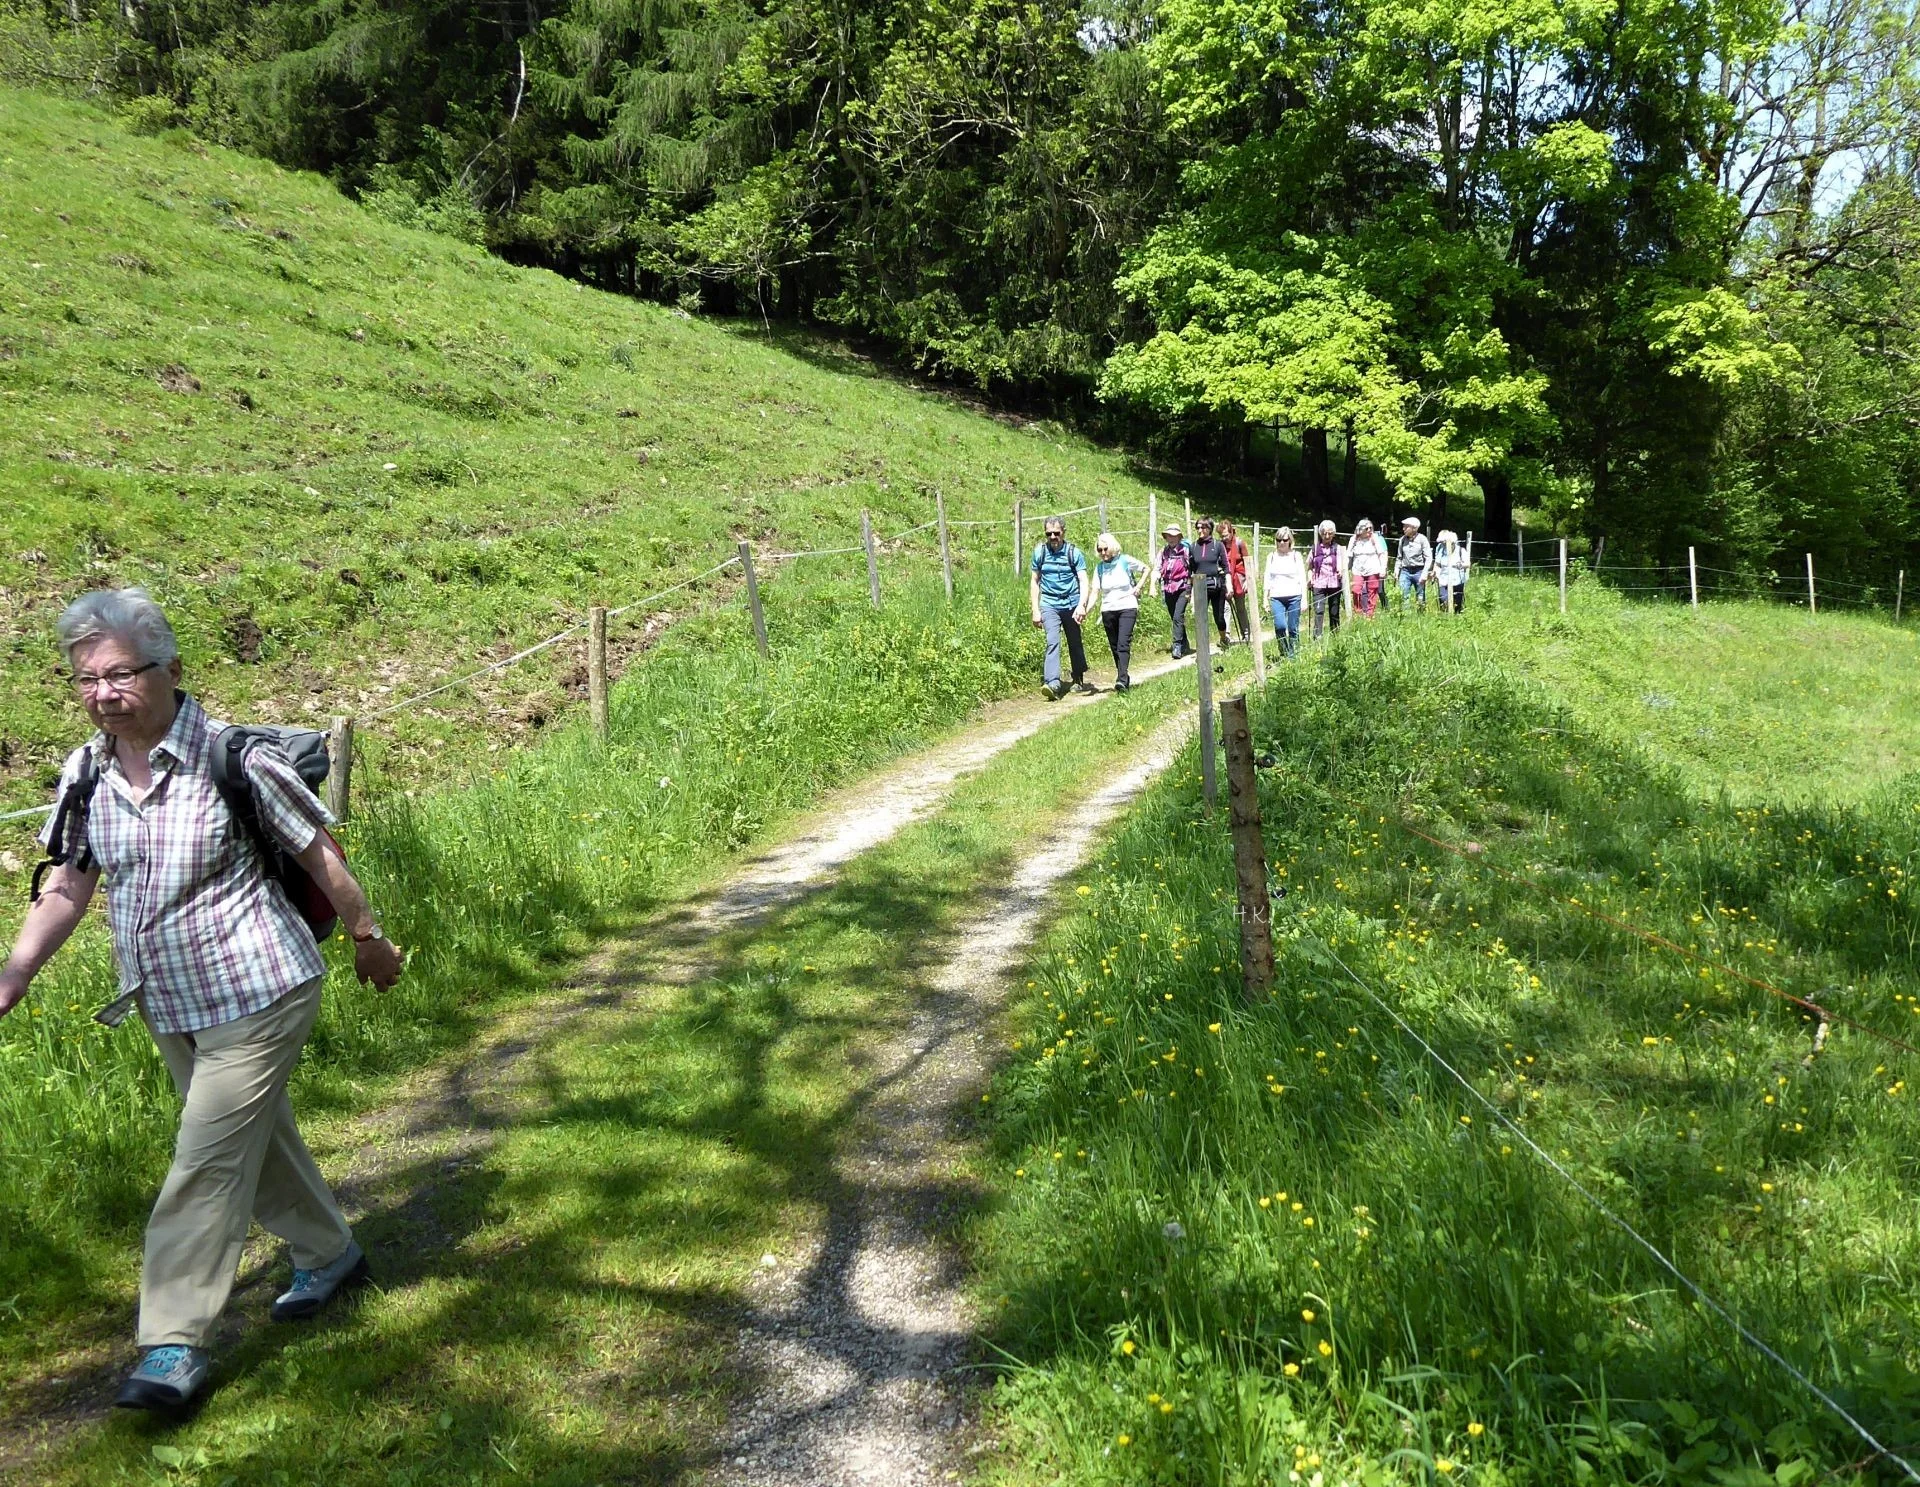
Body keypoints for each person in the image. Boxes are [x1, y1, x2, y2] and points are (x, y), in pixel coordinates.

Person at [0, 589, 404, 1411]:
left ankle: (171, 1341)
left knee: (206, 1160)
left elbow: (318, 850)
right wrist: (16, 971)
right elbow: (71, 884)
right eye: (84, 678)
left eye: (119, 673)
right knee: (255, 1142)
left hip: (260, 984)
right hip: (168, 997)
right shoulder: (86, 771)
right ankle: (330, 1255)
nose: (102, 692)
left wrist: (368, 936)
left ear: (172, 669)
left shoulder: (237, 758)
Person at [1030, 516, 1093, 700]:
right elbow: (1034, 581)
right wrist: (1035, 609)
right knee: (1052, 641)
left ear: (1063, 532)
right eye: (1048, 533)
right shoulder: (1039, 553)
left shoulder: (1074, 553)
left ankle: (1078, 677)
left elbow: (1083, 580)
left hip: (1072, 603)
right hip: (1049, 603)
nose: (1052, 537)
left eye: (1056, 533)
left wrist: (1082, 606)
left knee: (1074, 641)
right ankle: (1052, 683)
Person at [1091, 532, 1147, 692]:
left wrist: (1138, 587)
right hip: (1108, 610)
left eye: (1105, 549)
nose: (1103, 553)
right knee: (1114, 646)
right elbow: (1095, 591)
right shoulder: (1099, 568)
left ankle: (1121, 679)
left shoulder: (1124, 560)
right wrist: (1085, 610)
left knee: (1123, 643)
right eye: (1100, 550)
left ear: (1112, 547)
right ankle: (1123, 675)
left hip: (1127, 606)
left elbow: (1145, 569)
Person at [1263, 525, 1308, 658]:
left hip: (1294, 595)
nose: (1281, 543)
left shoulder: (1296, 556)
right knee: (1280, 626)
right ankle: (1284, 650)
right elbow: (1267, 577)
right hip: (1276, 597)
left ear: (1290, 541)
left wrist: (1304, 599)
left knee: (1293, 627)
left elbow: (1302, 577)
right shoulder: (1271, 556)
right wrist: (1265, 598)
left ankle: (1293, 655)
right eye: (1279, 540)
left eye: (1284, 540)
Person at [1191, 516, 1232, 648]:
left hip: (1217, 586)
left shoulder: (1218, 545)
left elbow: (1226, 567)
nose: (1199, 530)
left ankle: (1223, 638)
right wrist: (1189, 592)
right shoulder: (1193, 547)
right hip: (1199, 586)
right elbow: (1190, 570)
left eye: (1203, 527)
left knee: (1219, 617)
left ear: (1210, 529)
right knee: (1201, 618)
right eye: (1197, 527)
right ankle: (1203, 647)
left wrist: (1229, 585)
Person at [1156, 522, 1195, 659]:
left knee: (1178, 616)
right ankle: (1185, 643)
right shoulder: (1163, 552)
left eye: (1174, 536)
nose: (1171, 538)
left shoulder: (1185, 551)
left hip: (1183, 587)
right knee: (1174, 617)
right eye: (1168, 536)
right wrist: (1153, 583)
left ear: (1179, 537)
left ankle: (1177, 645)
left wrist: (1190, 590)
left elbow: (1192, 570)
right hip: (1168, 588)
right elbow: (1157, 568)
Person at [1307, 520, 1345, 640]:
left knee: (1334, 612)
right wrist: (1309, 579)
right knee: (1319, 611)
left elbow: (1343, 565)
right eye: (1324, 533)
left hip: (1334, 583)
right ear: (1320, 534)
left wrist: (1341, 571)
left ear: (1333, 534)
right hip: (1319, 584)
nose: (1327, 536)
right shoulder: (1315, 549)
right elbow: (1309, 567)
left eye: (1329, 533)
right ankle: (1317, 636)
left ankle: (1335, 636)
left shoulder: (1338, 548)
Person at [1219, 519, 1252, 643]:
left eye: (1226, 535)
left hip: (1239, 580)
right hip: (1226, 580)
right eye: (1222, 536)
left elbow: (1247, 563)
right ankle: (1226, 636)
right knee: (1225, 607)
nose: (1225, 538)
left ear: (1232, 532)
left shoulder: (1240, 543)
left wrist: (1247, 581)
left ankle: (1246, 634)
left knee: (1241, 608)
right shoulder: (1220, 545)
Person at [1348, 518, 1388, 618]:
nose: (1369, 530)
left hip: (1373, 569)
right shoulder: (1354, 539)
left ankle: (1370, 614)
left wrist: (1383, 568)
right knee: (1356, 590)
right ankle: (1358, 612)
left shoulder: (1375, 538)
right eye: (1367, 528)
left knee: (1372, 591)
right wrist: (1345, 568)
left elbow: (1382, 554)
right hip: (1358, 569)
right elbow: (1348, 554)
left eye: (1371, 528)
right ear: (1360, 530)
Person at [1396, 516, 1433, 610]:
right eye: (1403, 526)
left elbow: (1428, 558)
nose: (1403, 528)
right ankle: (1405, 618)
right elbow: (1399, 557)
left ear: (1414, 528)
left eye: (1406, 526)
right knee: (1404, 596)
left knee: (1420, 597)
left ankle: (1421, 617)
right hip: (1405, 571)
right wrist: (1396, 571)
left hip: (1419, 571)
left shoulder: (1422, 539)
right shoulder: (1402, 540)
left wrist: (1425, 574)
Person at [1433, 529, 1469, 612]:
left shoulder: (1461, 551)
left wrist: (1460, 565)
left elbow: (1467, 564)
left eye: (1444, 542)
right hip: (1443, 580)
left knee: (1457, 603)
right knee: (1443, 599)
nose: (1442, 544)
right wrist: (1435, 573)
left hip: (1458, 580)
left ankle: (1457, 618)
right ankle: (1444, 616)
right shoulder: (1441, 550)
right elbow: (1438, 564)